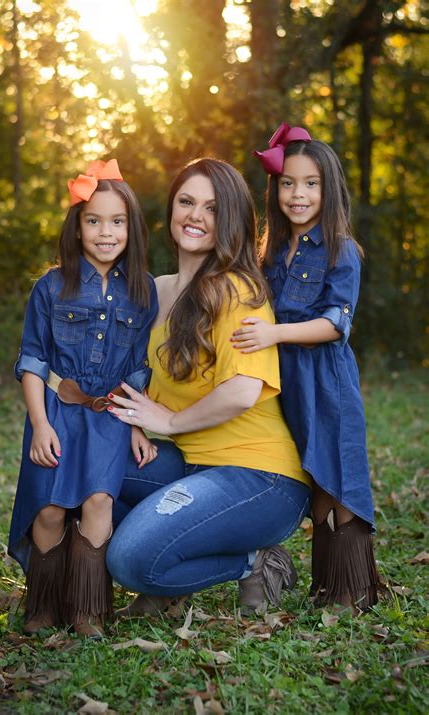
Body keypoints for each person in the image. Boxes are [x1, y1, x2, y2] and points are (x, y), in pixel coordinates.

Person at [105, 158, 312, 617]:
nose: (195, 216)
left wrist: (170, 420)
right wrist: (129, 422)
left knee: (129, 559)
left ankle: (255, 562)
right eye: (186, 202)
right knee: (88, 467)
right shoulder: (155, 292)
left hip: (261, 479)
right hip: (193, 466)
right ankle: (169, 553)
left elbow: (241, 390)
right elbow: (123, 370)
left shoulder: (235, 290)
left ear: (232, 221)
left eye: (212, 208)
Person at [231, 123, 379, 609]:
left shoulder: (341, 250)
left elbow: (337, 322)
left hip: (326, 379)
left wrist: (274, 334)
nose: (298, 194)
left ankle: (351, 589)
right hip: (283, 381)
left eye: (311, 184)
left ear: (329, 189)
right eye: (289, 183)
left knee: (336, 471)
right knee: (310, 474)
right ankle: (324, 585)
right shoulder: (269, 248)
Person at [8, 159, 158, 637]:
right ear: (76, 228)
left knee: (98, 501)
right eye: (94, 221)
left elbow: (138, 368)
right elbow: (32, 361)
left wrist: (135, 424)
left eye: (117, 222)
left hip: (110, 413)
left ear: (131, 229)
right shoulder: (50, 287)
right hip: (55, 409)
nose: (106, 232)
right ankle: (43, 606)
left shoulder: (143, 290)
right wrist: (40, 423)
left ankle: (89, 610)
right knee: (49, 506)